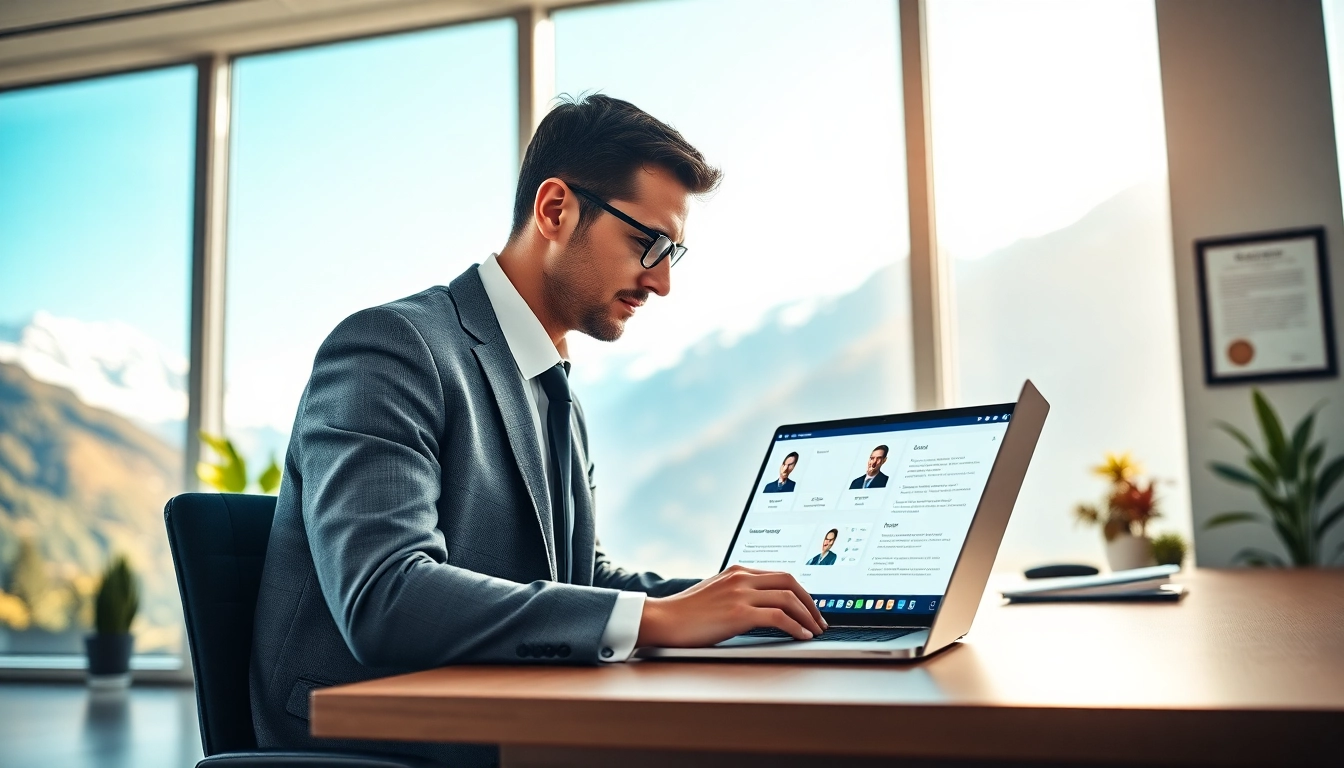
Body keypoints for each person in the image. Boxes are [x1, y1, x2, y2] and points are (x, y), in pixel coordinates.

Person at [248, 94, 826, 767]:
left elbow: (582, 575)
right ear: (555, 210)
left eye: (675, 253)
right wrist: (662, 619)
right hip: (373, 744)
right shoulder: (391, 348)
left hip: (513, 723)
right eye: (649, 243)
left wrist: (742, 605)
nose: (663, 281)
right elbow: (386, 594)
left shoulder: (555, 392)